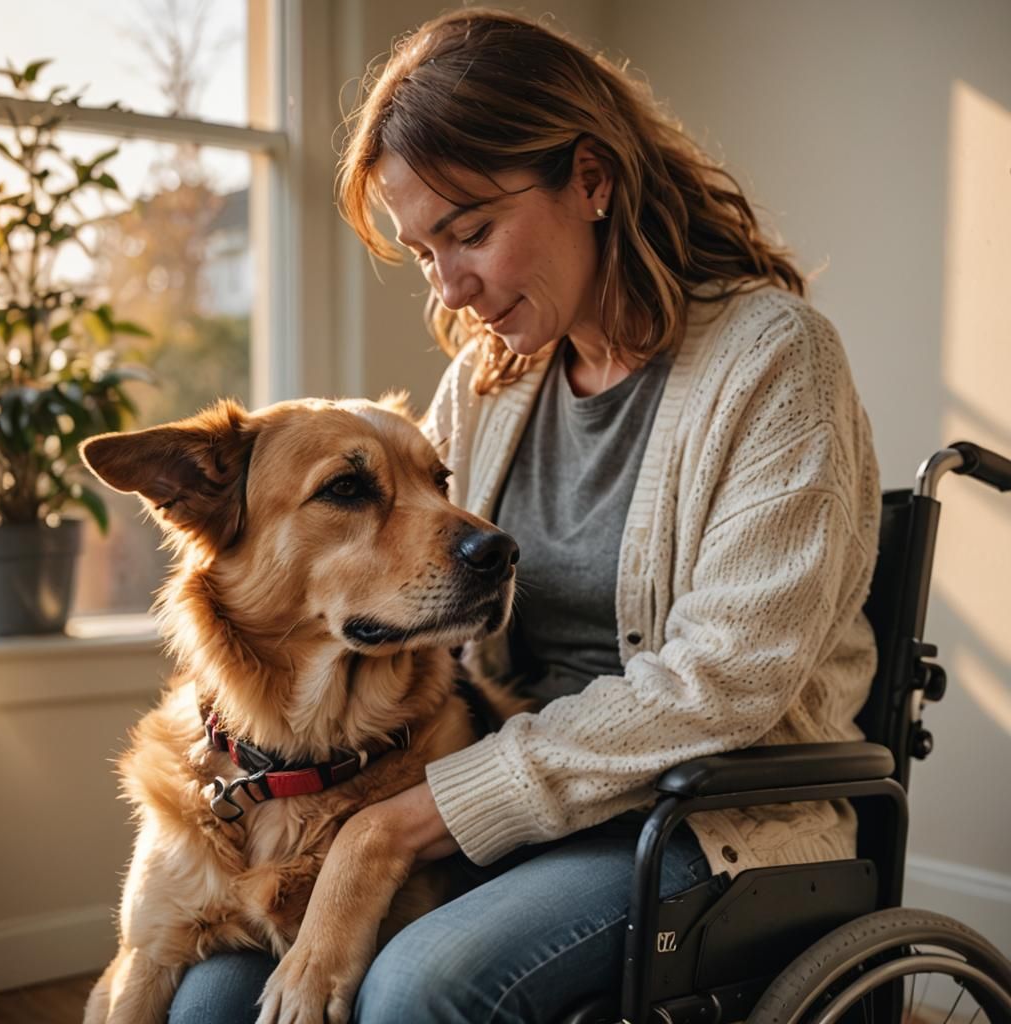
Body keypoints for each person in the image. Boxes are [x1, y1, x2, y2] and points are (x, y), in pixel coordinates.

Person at [168, 8, 880, 1023]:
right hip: (483, 801)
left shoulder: (773, 361)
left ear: (590, 179)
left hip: (701, 820)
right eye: (423, 252)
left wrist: (400, 827)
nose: (452, 287)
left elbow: (724, 684)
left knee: (420, 990)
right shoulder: (490, 382)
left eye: (470, 233)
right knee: (212, 998)